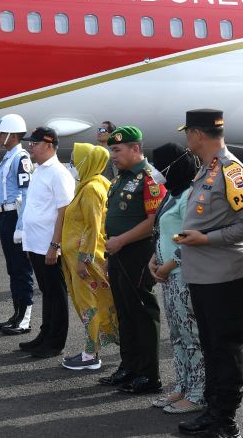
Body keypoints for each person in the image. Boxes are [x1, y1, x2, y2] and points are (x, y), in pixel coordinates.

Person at [176, 109, 243, 438]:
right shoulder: (207, 169)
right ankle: (213, 412)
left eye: (188, 133)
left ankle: (225, 421)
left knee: (225, 348)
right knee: (211, 346)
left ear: (198, 135)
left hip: (224, 276)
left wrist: (206, 239)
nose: (186, 139)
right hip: (203, 275)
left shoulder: (231, 170)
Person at [98, 126, 167, 394]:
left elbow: (153, 222)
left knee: (142, 313)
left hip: (138, 254)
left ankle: (149, 375)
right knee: (124, 312)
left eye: (117, 150)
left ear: (135, 149)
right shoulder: (120, 179)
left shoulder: (149, 179)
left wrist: (121, 241)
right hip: (118, 254)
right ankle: (129, 366)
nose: (112, 155)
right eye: (111, 149)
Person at [148, 142, 205, 414]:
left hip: (184, 275)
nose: (156, 171)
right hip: (168, 276)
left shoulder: (190, 195)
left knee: (192, 336)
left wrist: (168, 264)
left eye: (160, 165)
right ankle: (182, 385)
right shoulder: (172, 193)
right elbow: (162, 231)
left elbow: (189, 237)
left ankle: (198, 393)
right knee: (177, 336)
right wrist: (154, 259)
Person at [17, 127, 75, 358]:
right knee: (47, 291)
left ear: (49, 145)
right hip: (36, 243)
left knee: (56, 292)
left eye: (35, 143)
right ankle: (45, 334)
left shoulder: (58, 173)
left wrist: (55, 245)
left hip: (49, 244)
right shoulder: (40, 169)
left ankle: (55, 341)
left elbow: (64, 211)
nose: (31, 146)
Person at [60, 142, 118, 370]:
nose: (73, 164)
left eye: (76, 159)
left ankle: (90, 354)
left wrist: (84, 259)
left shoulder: (92, 188)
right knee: (94, 302)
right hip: (81, 257)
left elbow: (93, 227)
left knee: (89, 304)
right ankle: (92, 350)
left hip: (84, 260)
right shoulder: (91, 184)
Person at [0, 114, 35, 334]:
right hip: (4, 216)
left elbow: (26, 194)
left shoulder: (21, 157)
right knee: (12, 268)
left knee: (21, 268)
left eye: (2, 132)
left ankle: (25, 318)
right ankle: (17, 313)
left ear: (11, 133)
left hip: (15, 216)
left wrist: (21, 226)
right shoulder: (9, 156)